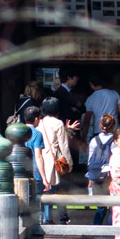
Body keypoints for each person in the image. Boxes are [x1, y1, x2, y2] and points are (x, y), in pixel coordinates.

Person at [35, 94, 72, 223]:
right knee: (55, 191)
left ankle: (44, 219)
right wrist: (69, 162)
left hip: (39, 158)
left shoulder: (39, 122)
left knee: (42, 191)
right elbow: (64, 145)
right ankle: (52, 219)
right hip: (53, 160)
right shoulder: (58, 123)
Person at [85, 111, 118, 223]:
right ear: (113, 125)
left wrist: (90, 178)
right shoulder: (115, 141)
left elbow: (90, 160)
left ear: (100, 125)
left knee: (101, 207)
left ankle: (96, 230)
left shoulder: (94, 140)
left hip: (97, 175)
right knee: (113, 207)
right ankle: (110, 231)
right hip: (110, 176)